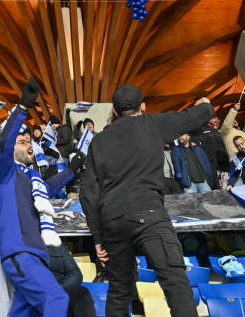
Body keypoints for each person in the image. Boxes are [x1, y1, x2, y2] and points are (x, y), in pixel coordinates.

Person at [80, 86, 212, 317]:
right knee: (175, 282)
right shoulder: (153, 124)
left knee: (119, 289)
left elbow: (88, 191)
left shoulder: (98, 141)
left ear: (114, 110)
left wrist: (98, 237)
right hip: (148, 211)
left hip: (112, 219)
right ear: (143, 106)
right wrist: (205, 105)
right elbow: (196, 116)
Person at [0, 79, 68, 317]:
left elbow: (50, 185)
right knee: (56, 297)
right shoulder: (4, 172)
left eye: (29, 142)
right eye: (22, 142)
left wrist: (73, 168)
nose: (28, 145)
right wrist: (22, 108)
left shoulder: (34, 181)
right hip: (21, 251)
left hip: (35, 254)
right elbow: (4, 143)